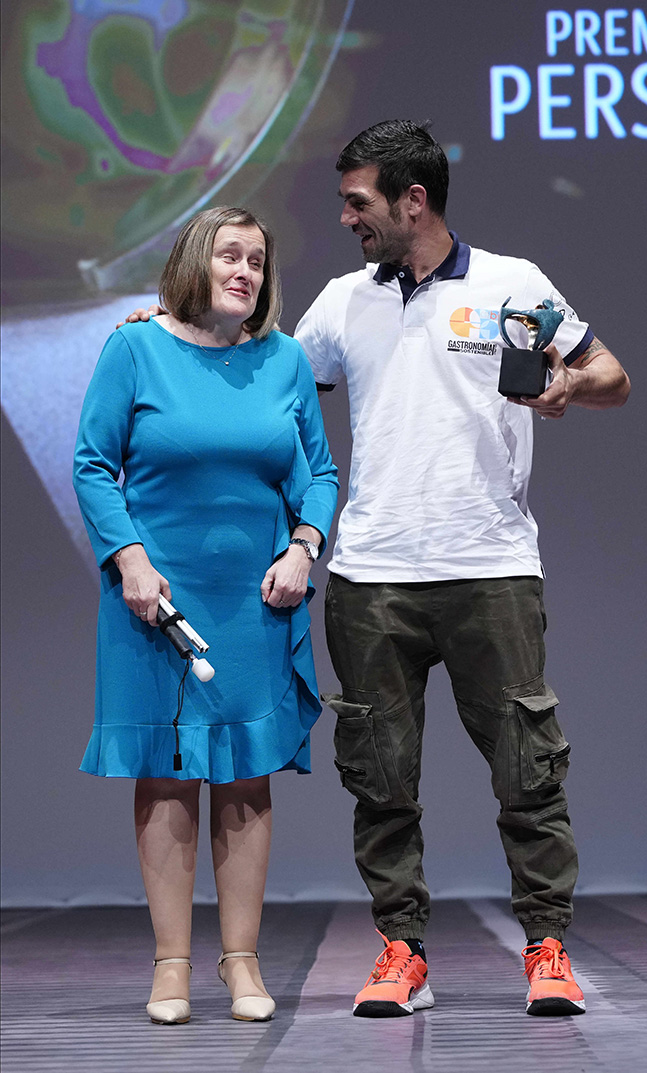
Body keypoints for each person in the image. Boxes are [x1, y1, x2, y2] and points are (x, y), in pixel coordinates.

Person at [301, 119, 630, 1018]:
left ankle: (547, 946)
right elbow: (271, 383)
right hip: (371, 577)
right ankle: (402, 952)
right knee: (380, 779)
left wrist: (566, 385)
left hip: (490, 567)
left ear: (414, 200)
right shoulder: (340, 303)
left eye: (357, 202)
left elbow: (612, 372)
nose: (345, 219)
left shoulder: (511, 285)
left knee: (529, 770)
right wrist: (169, 328)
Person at [74, 206, 338, 1025]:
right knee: (165, 776)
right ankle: (171, 967)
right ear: (195, 261)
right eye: (230, 255)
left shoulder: (284, 360)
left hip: (254, 601)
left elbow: (320, 475)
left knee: (245, 777)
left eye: (257, 261)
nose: (245, 271)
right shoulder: (135, 348)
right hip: (153, 596)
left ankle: (242, 962)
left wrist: (303, 548)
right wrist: (131, 560)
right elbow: (92, 463)